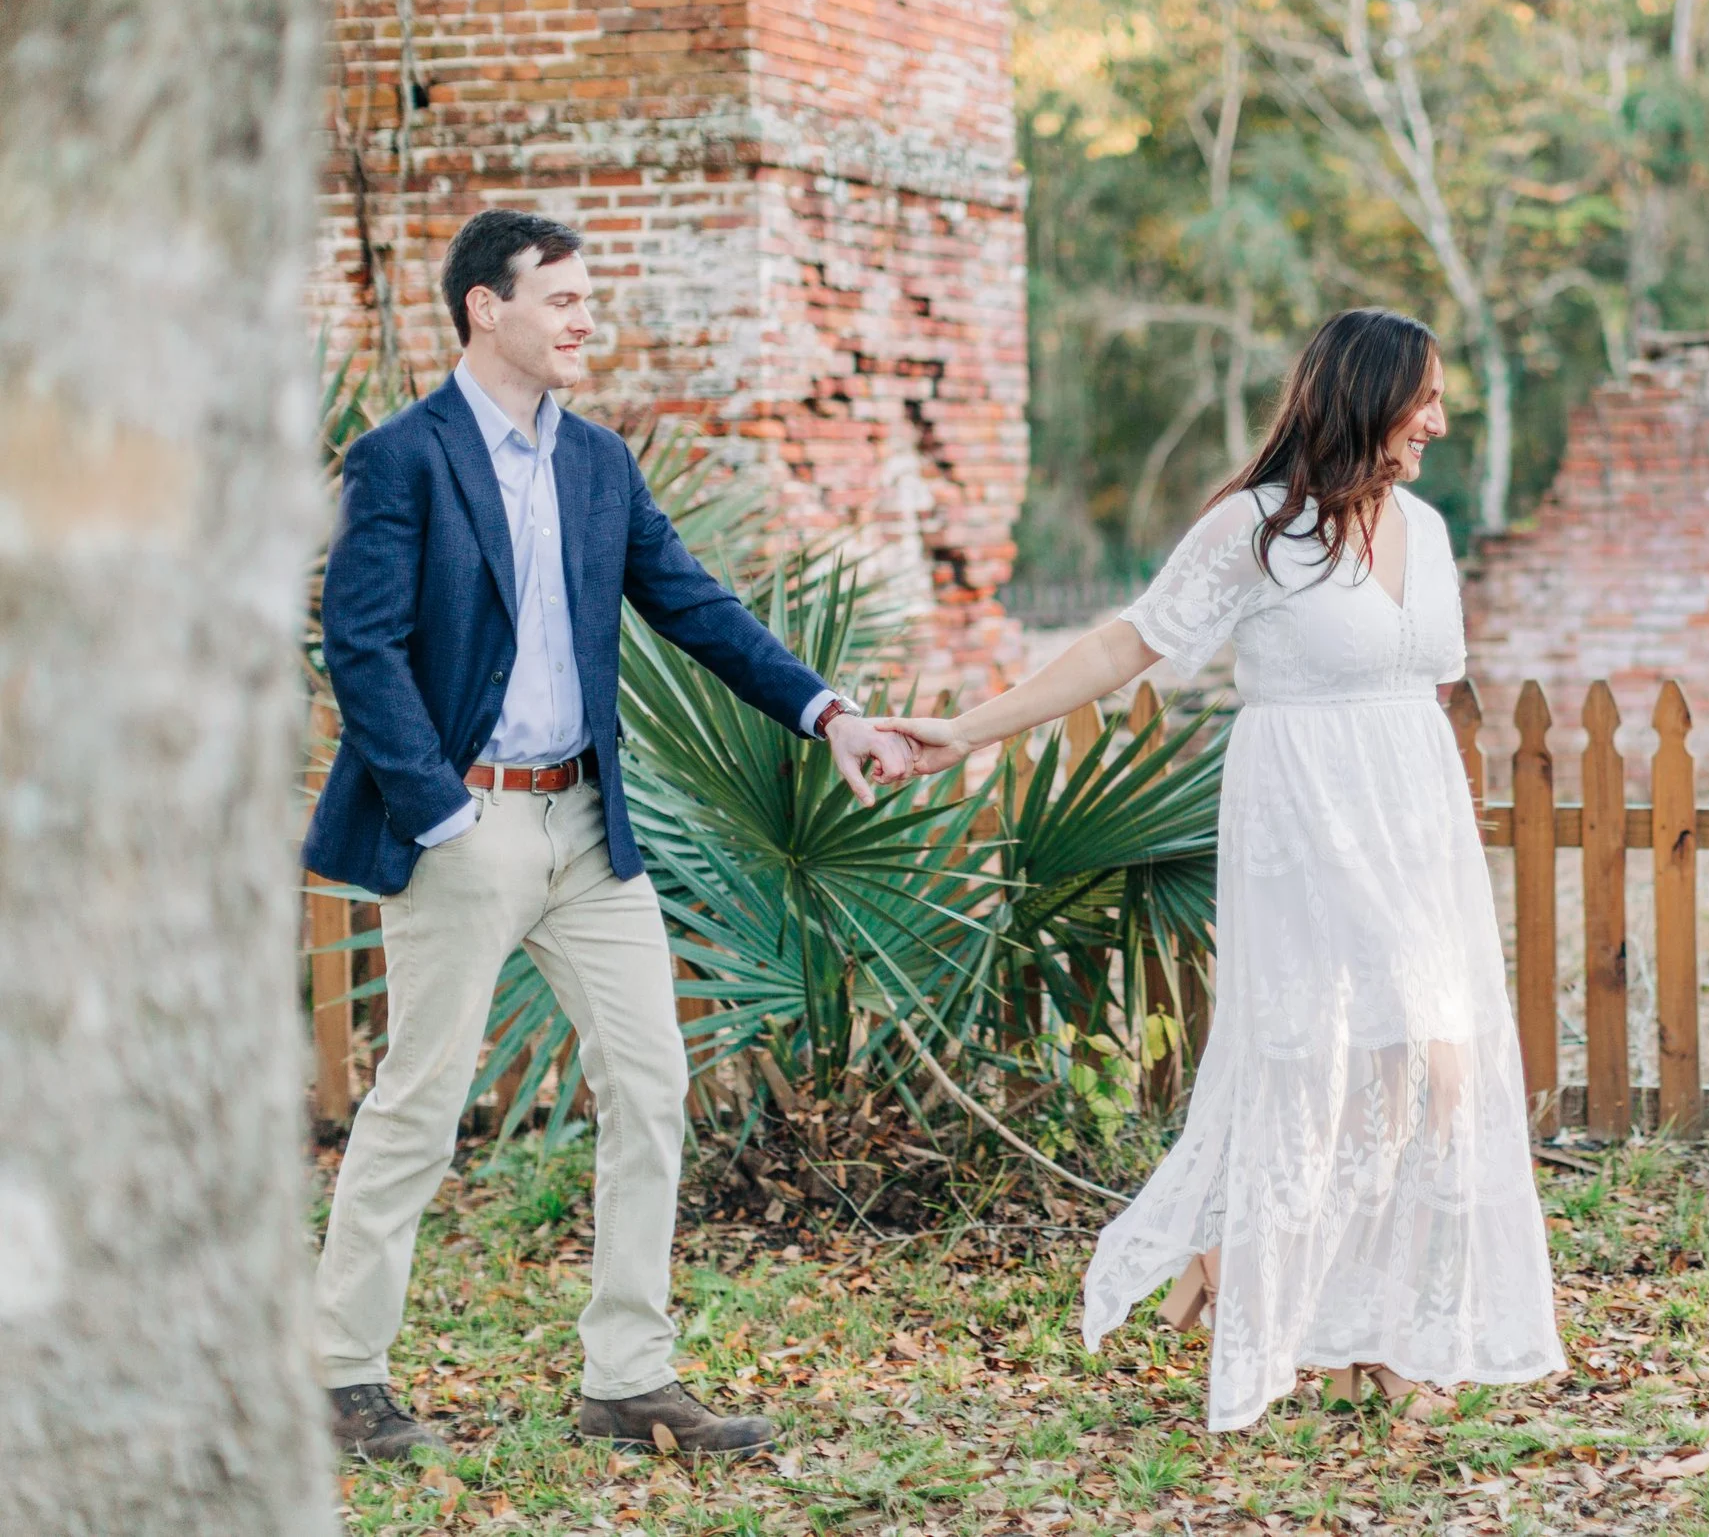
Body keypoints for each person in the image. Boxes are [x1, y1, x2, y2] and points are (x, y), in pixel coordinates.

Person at [876, 308, 1566, 1431]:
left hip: (1412, 816)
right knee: (1388, 1059)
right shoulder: (1257, 530)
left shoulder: (1429, 529)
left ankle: (1353, 1327)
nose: (1439, 419)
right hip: (1305, 810)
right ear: (1366, 397)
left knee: (1408, 1070)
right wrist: (968, 728)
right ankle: (1272, 1277)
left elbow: (1424, 688)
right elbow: (1124, 643)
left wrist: (1436, 830)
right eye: (1424, 397)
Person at [303, 209, 915, 1461]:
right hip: (461, 824)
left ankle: (627, 1376)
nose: (589, 319)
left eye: (590, 300)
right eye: (566, 299)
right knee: (421, 1100)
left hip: (588, 825)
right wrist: (442, 810)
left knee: (651, 1085)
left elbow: (693, 602)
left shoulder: (598, 463)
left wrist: (825, 708)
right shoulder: (401, 458)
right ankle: (339, 1373)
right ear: (487, 305)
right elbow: (358, 648)